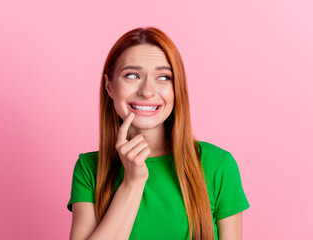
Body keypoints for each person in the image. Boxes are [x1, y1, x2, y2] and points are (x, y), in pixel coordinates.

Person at [67, 26, 250, 240]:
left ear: (177, 87)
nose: (147, 91)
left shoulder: (218, 165)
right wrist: (132, 183)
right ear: (109, 86)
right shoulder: (89, 169)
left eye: (163, 77)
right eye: (132, 75)